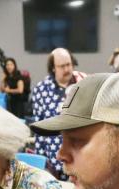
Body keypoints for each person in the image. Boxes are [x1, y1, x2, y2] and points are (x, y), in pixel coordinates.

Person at [31, 48, 81, 180]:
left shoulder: (82, 83)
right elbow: (39, 128)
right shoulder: (41, 90)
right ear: (53, 68)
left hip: (80, 158)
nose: (67, 69)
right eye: (62, 66)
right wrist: (41, 163)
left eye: (69, 64)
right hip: (54, 161)